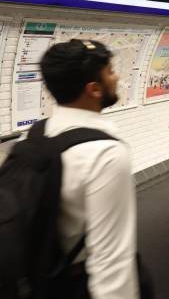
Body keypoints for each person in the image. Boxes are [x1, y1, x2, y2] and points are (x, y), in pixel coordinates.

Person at [38, 39, 140, 298]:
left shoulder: (38, 133)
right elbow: (110, 260)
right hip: (78, 282)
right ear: (94, 89)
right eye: (111, 71)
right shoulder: (104, 154)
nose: (116, 78)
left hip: (44, 278)